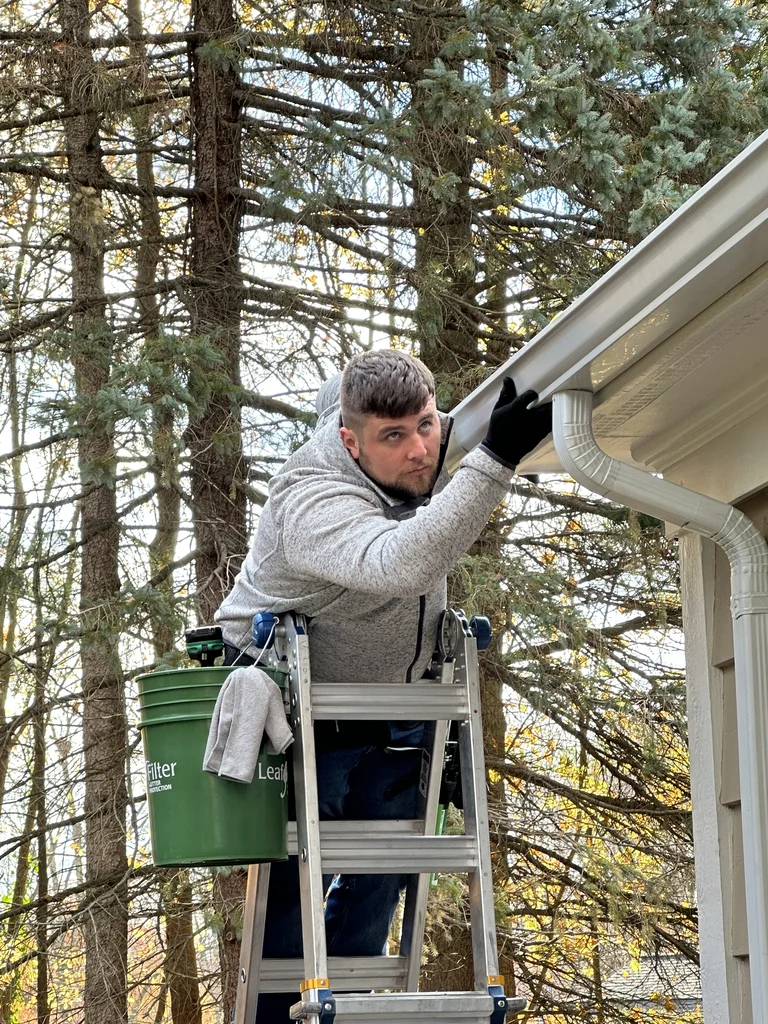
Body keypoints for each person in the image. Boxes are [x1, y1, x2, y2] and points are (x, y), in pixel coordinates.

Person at [214, 350, 552, 1021]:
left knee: (377, 895)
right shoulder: (309, 499)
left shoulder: (417, 446)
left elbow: (462, 432)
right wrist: (494, 461)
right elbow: (399, 561)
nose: (420, 452)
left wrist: (489, 429)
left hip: (395, 711)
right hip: (299, 715)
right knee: (290, 911)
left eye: (428, 426)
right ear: (350, 441)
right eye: (393, 438)